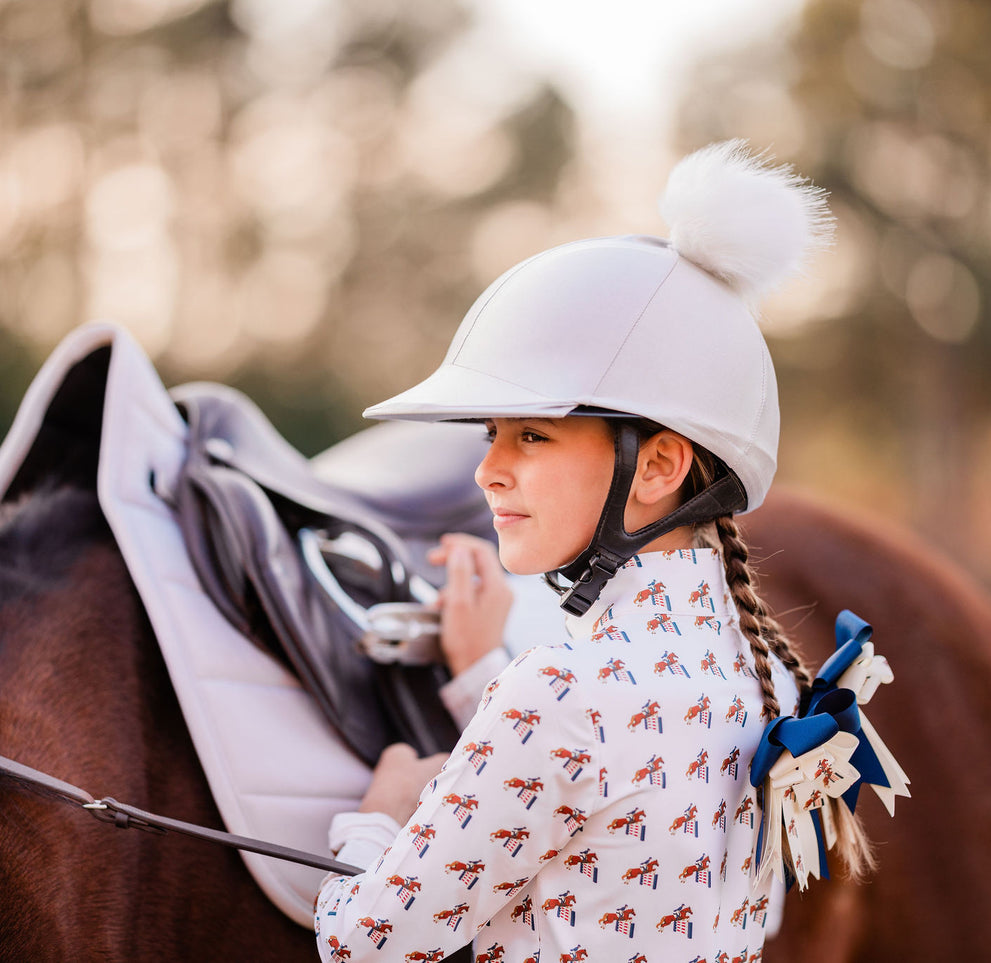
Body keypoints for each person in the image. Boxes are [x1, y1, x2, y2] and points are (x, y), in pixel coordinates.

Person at [315, 141, 846, 962]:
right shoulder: (770, 673)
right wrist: (474, 679)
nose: (488, 470)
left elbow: (362, 943)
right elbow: (602, 783)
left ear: (660, 465)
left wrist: (375, 816)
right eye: (492, 436)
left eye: (531, 435)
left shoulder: (558, 689)